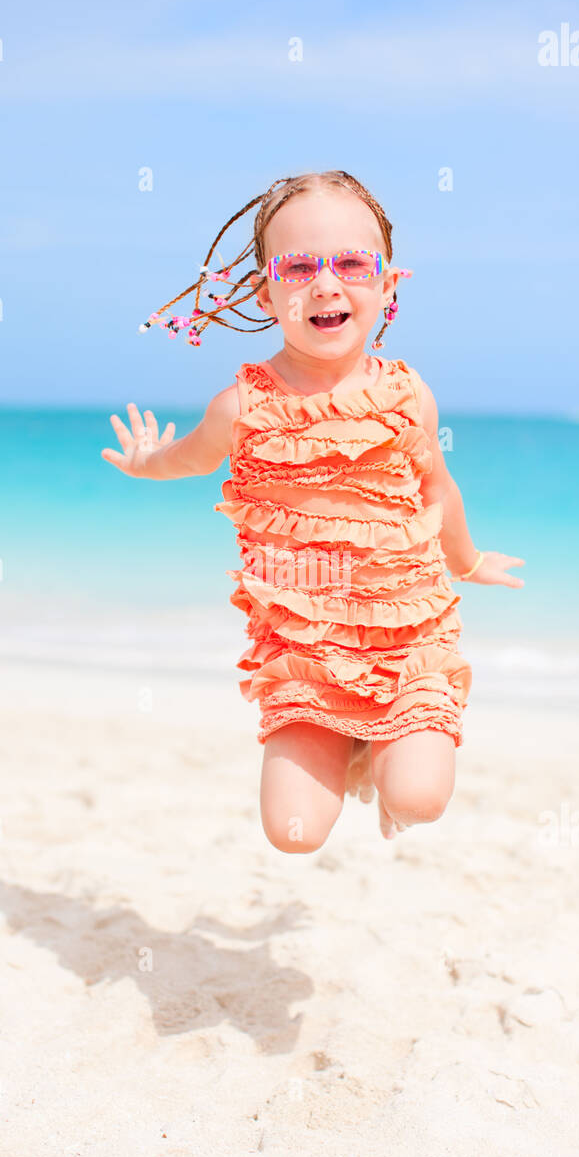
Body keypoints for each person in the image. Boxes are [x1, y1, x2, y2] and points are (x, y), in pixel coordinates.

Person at [102, 170, 524, 850]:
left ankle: (386, 759)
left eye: (353, 263)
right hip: (305, 649)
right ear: (267, 292)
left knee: (419, 798)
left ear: (387, 284)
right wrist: (146, 461)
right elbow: (192, 459)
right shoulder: (243, 407)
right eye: (298, 267)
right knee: (293, 834)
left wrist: (468, 560)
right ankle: (350, 747)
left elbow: (439, 487)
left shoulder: (408, 395)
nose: (326, 285)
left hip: (405, 641)